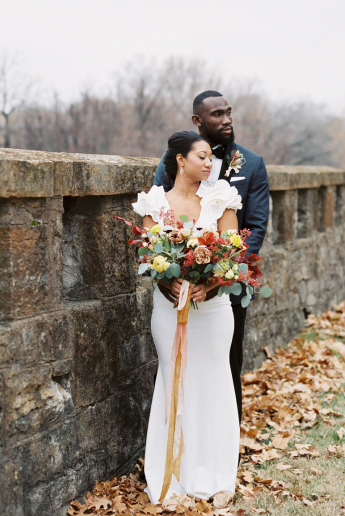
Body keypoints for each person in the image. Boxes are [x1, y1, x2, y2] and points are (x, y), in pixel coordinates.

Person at [132, 130, 242, 502]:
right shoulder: (154, 203)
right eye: (202, 156)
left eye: (211, 157)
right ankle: (172, 478)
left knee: (213, 384)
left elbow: (232, 256)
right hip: (169, 311)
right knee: (173, 384)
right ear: (180, 160)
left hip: (212, 312)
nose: (210, 163)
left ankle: (218, 477)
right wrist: (168, 281)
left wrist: (208, 285)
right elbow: (150, 257)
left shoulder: (221, 199)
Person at [153, 91, 270, 420]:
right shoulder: (173, 160)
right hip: (177, 288)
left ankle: (228, 443)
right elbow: (160, 215)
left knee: (227, 367)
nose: (227, 120)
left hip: (228, 287)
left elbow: (255, 230)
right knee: (179, 366)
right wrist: (169, 277)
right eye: (217, 114)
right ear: (198, 120)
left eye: (228, 112)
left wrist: (219, 277)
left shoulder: (252, 164)